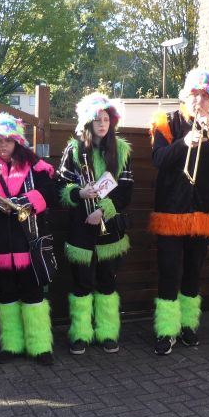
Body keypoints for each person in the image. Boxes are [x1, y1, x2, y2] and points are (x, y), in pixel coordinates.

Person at [149, 68, 209, 355]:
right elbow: (158, 159)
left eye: (204, 96)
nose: (198, 101)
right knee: (169, 272)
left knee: (193, 273)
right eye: (194, 94)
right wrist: (183, 143)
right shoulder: (165, 122)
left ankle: (188, 325)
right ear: (184, 96)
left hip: (203, 212)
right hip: (171, 212)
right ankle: (166, 330)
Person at [0, 113, 56, 366]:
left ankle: (40, 347)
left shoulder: (36, 166)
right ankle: (12, 345)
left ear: (17, 142)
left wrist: (20, 202)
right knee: (6, 295)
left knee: (33, 295)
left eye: (8, 140)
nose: (3, 145)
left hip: (29, 244)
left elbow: (50, 193)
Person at [56, 93, 133, 355]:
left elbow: (126, 190)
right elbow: (61, 185)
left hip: (109, 226)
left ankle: (107, 332)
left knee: (107, 281)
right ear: (88, 122)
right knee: (81, 282)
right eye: (97, 119)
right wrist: (79, 193)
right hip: (81, 227)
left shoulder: (121, 150)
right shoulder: (74, 149)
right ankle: (81, 334)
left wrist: (102, 210)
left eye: (106, 119)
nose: (102, 124)